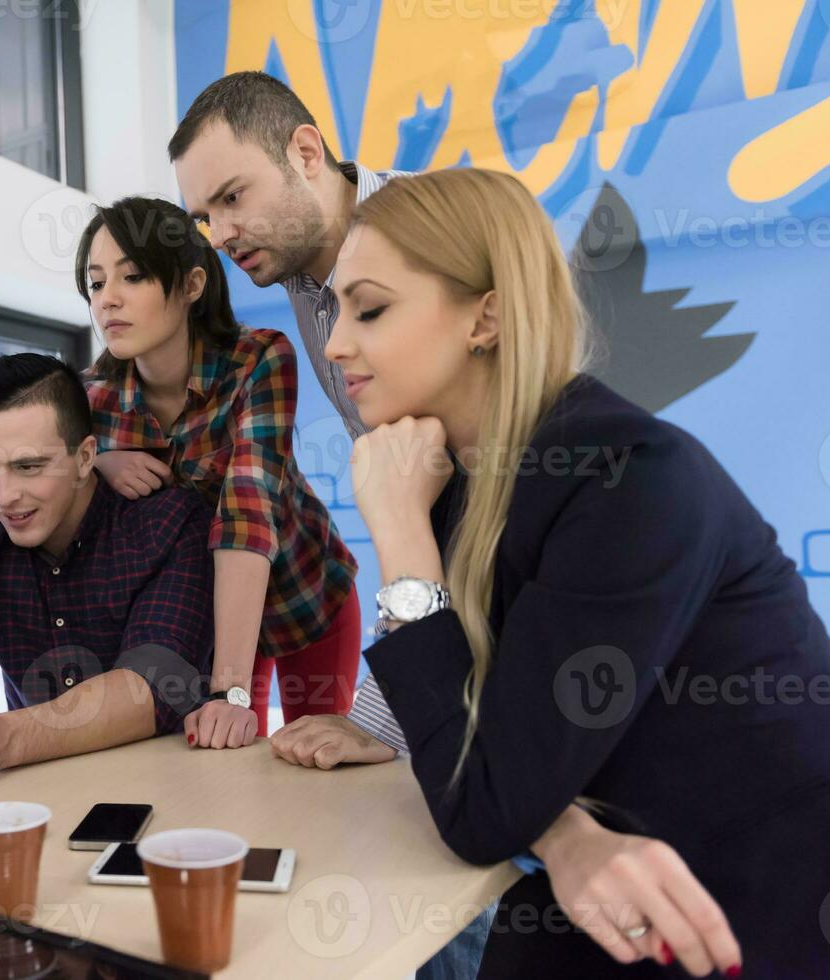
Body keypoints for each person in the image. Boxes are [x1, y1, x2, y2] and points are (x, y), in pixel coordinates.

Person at [320, 166, 830, 977]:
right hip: (615, 864)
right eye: (333, 310)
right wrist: (560, 832)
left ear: (487, 316)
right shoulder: (452, 480)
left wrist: (397, 533)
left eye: (368, 308)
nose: (333, 342)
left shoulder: (631, 478)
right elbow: (485, 753)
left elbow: (481, 803)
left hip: (781, 896)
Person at [168, 69, 492, 979]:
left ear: (305, 153)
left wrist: (380, 717)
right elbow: (421, 498)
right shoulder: (308, 287)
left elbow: (474, 508)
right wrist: (384, 717)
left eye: (232, 198)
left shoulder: (446, 237)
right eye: (202, 216)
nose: (220, 234)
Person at [78, 195, 359, 747]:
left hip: (306, 596)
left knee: (318, 757)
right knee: (222, 759)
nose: (107, 300)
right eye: (94, 283)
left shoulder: (258, 358)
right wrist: (98, 465)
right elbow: (56, 485)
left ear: (191, 285)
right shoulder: (93, 399)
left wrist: (228, 691)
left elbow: (246, 510)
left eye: (132, 276)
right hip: (209, 620)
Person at [0, 353, 214, 792]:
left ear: (85, 458)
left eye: (28, 466)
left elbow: (155, 685)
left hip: (169, 790)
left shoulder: (171, 524)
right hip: (35, 790)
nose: (3, 497)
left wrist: (3, 740)